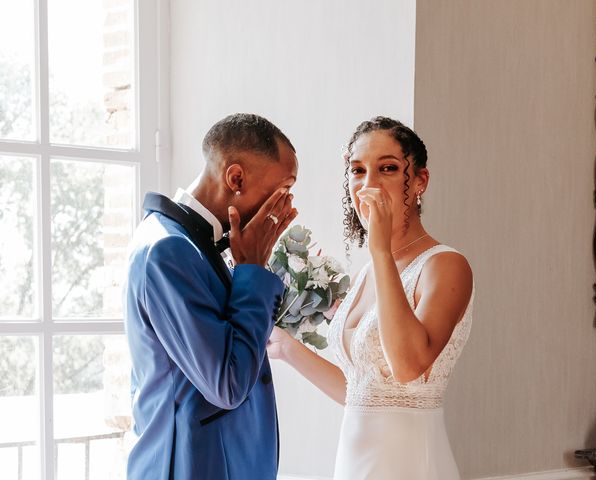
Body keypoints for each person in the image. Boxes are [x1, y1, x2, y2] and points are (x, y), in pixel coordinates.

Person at [268, 116, 474, 479]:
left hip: (411, 464)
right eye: (357, 171)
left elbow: (409, 366)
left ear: (420, 181)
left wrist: (380, 250)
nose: (368, 185)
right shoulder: (368, 274)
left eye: (388, 169)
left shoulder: (445, 266)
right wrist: (286, 349)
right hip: (355, 465)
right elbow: (360, 392)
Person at [124, 113, 298, 479]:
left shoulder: (186, 242)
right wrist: (252, 273)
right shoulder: (167, 249)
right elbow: (227, 384)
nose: (284, 208)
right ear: (236, 178)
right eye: (282, 191)